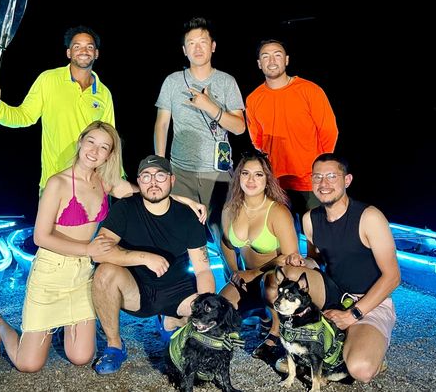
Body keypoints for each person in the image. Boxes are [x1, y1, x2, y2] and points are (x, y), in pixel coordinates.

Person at [0, 123, 205, 372]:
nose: (95, 151)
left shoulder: (105, 181)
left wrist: (185, 201)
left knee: (81, 356)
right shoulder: (58, 183)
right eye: (91, 142)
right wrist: (89, 249)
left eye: (103, 147)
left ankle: (61, 331)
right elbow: (40, 237)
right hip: (52, 271)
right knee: (28, 364)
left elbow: (149, 191)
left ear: (109, 154)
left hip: (83, 274)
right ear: (80, 142)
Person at [90, 154, 216, 375]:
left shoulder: (187, 216)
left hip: (180, 291)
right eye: (146, 177)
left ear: (172, 180)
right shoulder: (125, 209)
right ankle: (114, 346)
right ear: (138, 182)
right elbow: (98, 251)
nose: (153, 182)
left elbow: (203, 269)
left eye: (160, 175)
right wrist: (143, 257)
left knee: (201, 332)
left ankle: (172, 321)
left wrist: (207, 313)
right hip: (138, 291)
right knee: (104, 273)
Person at [280, 153, 400, 383]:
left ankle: (368, 347)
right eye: (317, 177)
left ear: (347, 180)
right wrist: (303, 262)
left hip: (368, 300)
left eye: (331, 176)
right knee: (291, 274)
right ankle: (288, 340)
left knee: (361, 369)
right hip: (332, 293)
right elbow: (317, 260)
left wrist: (352, 315)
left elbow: (393, 276)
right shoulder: (310, 219)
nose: (323, 184)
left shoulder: (369, 217)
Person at [0, 25, 116, 197]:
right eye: (77, 46)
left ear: (96, 53)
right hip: (54, 183)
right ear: (69, 53)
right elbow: (24, 116)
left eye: (89, 47)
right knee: (48, 225)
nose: (84, 51)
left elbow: (111, 141)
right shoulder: (48, 80)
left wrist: (113, 179)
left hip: (91, 185)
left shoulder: (104, 94)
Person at [154, 16, 246, 256]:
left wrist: (209, 106)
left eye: (203, 42)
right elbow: (162, 124)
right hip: (180, 170)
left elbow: (239, 128)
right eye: (191, 43)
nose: (197, 48)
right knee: (181, 231)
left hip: (218, 171)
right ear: (184, 50)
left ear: (213, 46)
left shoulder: (227, 82)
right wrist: (160, 164)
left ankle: (234, 283)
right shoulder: (172, 81)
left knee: (224, 232)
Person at [219, 151, 303, 364]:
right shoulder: (229, 209)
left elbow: (291, 259)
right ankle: (264, 315)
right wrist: (232, 271)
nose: (251, 180)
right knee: (220, 310)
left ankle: (275, 332)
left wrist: (253, 273)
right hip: (247, 279)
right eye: (245, 173)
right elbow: (226, 242)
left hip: (273, 280)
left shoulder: (278, 212)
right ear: (238, 177)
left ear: (267, 179)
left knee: (270, 282)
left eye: (258, 174)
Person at [245, 39, 338, 229]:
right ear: (259, 64)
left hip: (310, 182)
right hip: (276, 183)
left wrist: (321, 171)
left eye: (277, 55)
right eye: (265, 56)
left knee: (318, 236)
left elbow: (329, 131)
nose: (272, 60)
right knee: (284, 237)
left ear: (286, 60)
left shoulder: (310, 90)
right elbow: (257, 139)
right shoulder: (254, 98)